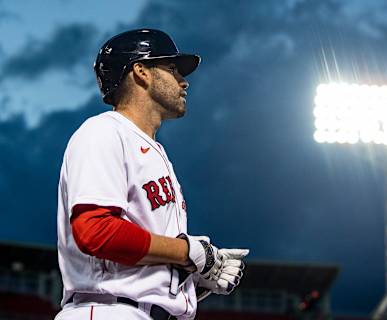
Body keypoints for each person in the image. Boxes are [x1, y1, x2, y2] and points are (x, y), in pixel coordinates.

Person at [55, 28, 249, 320]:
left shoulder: (154, 152)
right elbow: (96, 231)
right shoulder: (103, 132)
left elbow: (140, 261)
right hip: (108, 310)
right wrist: (187, 251)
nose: (184, 82)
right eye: (172, 69)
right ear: (141, 71)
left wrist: (195, 274)